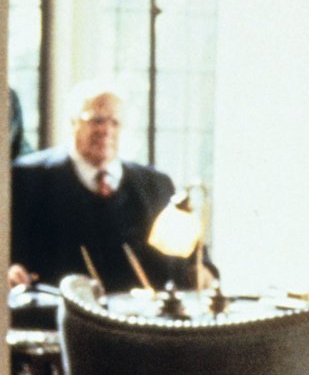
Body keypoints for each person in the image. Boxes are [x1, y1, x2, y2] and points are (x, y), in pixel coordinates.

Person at [9, 80, 216, 292]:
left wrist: (202, 273)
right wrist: (10, 271)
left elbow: (194, 260)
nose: (106, 130)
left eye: (115, 122)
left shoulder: (156, 185)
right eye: (97, 120)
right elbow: (9, 254)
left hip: (141, 310)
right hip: (59, 308)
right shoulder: (26, 179)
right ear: (72, 123)